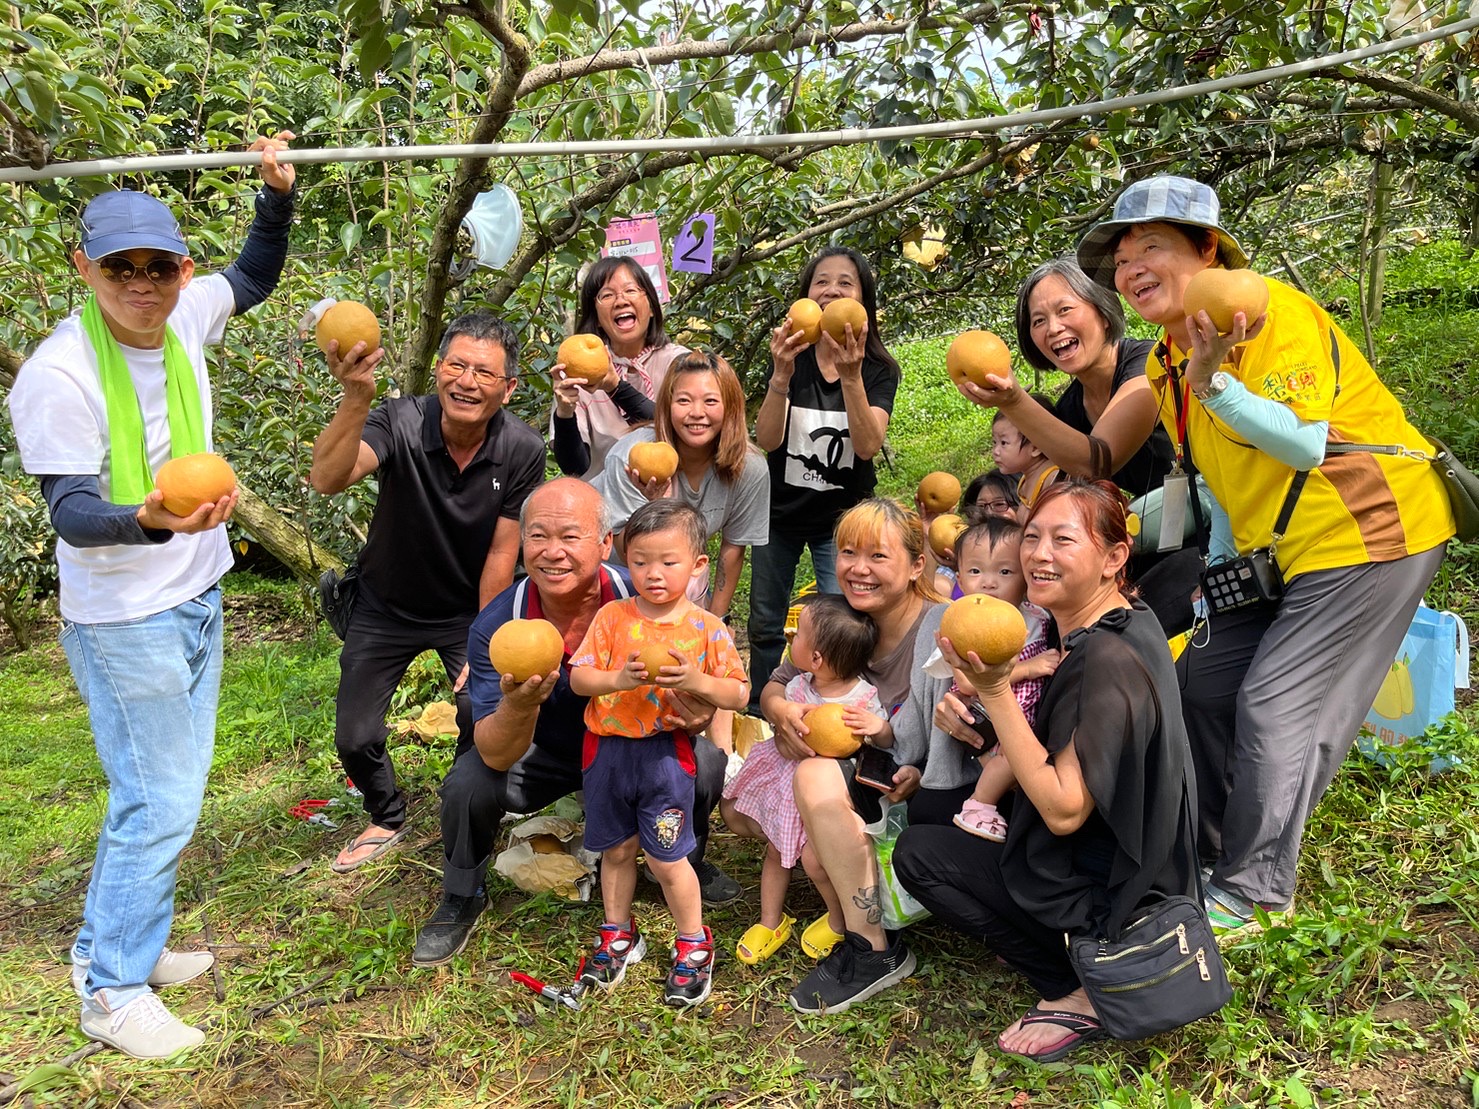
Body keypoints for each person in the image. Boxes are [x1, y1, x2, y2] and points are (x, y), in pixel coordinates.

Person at [1074, 175, 1455, 935]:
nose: (1132, 268)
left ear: (1208, 251)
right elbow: (1219, 481)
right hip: (1274, 552)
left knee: (1277, 704)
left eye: (1152, 247)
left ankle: (1256, 891)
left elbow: (1302, 443)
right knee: (1201, 683)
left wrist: (1214, 382)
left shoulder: (1270, 314)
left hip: (1368, 530)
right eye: (1122, 260)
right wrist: (1220, 571)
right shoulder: (1163, 362)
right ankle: (1211, 853)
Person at [5, 134, 296, 1058]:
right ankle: (112, 990)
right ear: (83, 266)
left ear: (181, 270)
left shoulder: (185, 314)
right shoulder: (58, 373)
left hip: (197, 590)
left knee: (169, 787)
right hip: (124, 614)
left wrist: (276, 196)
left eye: (158, 266)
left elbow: (254, 275)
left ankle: (124, 938)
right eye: (120, 267)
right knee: (158, 797)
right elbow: (72, 511)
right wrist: (152, 518)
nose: (141, 283)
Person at [893, 480, 1200, 1064]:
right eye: (1032, 537)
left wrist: (993, 689)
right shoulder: (1124, 621)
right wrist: (982, 723)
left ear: (1114, 557)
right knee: (935, 808)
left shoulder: (1103, 659)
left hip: (1114, 898)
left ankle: (1078, 987)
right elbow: (1067, 741)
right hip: (1136, 861)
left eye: (1064, 540)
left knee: (918, 855)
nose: (1038, 554)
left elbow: (1063, 810)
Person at [409, 479, 738, 967]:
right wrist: (520, 705)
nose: (553, 552)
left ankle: (678, 857)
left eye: (570, 536)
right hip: (539, 752)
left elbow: (712, 671)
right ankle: (462, 893)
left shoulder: (643, 593)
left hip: (627, 746)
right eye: (538, 536)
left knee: (705, 762)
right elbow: (495, 752)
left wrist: (700, 710)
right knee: (469, 781)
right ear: (522, 544)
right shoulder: (500, 626)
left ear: (605, 544)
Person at [309, 310, 546, 874]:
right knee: (355, 736)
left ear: (509, 387)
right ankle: (385, 814)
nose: (467, 381)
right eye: (456, 366)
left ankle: (464, 805)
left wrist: (484, 640)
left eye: (484, 373)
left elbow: (501, 555)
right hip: (384, 605)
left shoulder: (522, 448)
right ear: (438, 369)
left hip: (465, 610)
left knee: (478, 708)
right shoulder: (400, 421)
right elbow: (328, 478)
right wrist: (356, 397)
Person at [759, 498, 942, 1013]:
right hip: (862, 778)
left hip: (921, 788)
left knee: (816, 779)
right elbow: (776, 683)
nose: (858, 568)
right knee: (790, 808)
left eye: (878, 556)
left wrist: (922, 770)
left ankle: (872, 947)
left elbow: (962, 728)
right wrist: (782, 714)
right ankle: (868, 933)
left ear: (916, 566)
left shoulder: (939, 627)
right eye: (847, 552)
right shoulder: (837, 616)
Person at [949, 258, 1200, 634]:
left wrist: (1013, 401)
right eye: (1038, 320)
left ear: (1103, 312)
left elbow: (1099, 459)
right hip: (1143, 544)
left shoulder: (1148, 365)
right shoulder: (1069, 409)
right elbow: (1072, 497)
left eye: (1065, 310)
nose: (1053, 328)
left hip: (1208, 533)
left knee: (1127, 626)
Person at [567, 500, 750, 1007]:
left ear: (698, 565)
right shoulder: (612, 617)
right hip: (607, 752)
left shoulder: (706, 628)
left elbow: (737, 693)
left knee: (668, 856)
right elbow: (580, 678)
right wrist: (617, 679)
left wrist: (694, 679)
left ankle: (693, 943)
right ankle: (618, 934)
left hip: (665, 756)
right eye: (640, 561)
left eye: (669, 562)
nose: (653, 574)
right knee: (616, 850)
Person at [748, 247, 901, 711]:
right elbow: (768, 439)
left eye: (845, 283)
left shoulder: (878, 369)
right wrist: (780, 375)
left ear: (863, 300)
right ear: (806, 294)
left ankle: (836, 707)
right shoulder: (791, 358)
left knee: (843, 623)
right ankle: (763, 705)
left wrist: (852, 378)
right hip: (778, 515)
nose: (832, 290)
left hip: (843, 523)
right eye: (822, 281)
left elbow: (867, 445)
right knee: (765, 620)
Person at [721, 596, 890, 965]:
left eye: (796, 635)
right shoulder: (797, 687)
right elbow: (778, 714)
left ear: (816, 658)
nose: (789, 636)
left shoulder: (862, 698)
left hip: (825, 798)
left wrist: (879, 728)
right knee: (776, 852)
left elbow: (883, 742)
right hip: (787, 788)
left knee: (817, 861)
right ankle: (770, 921)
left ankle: (839, 919)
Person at [600, 349, 769, 621]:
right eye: (684, 401)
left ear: (730, 407)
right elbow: (622, 551)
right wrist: (653, 507)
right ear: (667, 406)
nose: (697, 413)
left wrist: (716, 621)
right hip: (615, 576)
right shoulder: (633, 457)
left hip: (677, 572)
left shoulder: (749, 468)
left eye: (710, 401)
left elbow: (733, 548)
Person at [946, 519, 1060, 840]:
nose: (989, 583)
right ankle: (979, 805)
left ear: (1026, 577)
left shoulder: (1037, 615)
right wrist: (1030, 668)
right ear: (959, 579)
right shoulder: (960, 623)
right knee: (1013, 755)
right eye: (975, 571)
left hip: (1027, 709)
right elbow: (967, 684)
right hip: (987, 714)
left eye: (1005, 572)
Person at [550, 258, 688, 480]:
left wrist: (615, 388)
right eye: (607, 295)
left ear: (652, 307)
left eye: (631, 290)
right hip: (605, 498)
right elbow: (575, 467)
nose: (621, 301)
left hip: (672, 496)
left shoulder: (679, 364)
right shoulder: (579, 373)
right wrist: (565, 413)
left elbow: (682, 432)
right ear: (596, 318)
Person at [990, 401, 1062, 515]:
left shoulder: (1051, 479)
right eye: (994, 442)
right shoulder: (1025, 479)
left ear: (1035, 447)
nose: (995, 451)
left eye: (1003, 443)